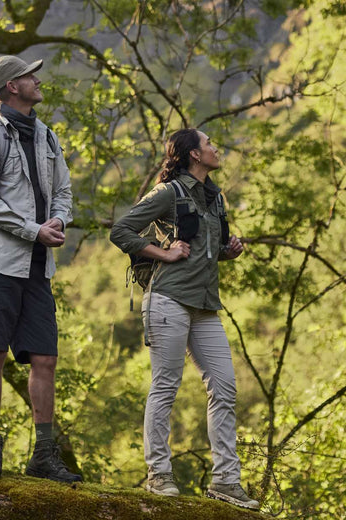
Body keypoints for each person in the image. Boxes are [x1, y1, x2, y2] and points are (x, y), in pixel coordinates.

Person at [110, 128, 259, 510]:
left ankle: (226, 482)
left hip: (205, 306)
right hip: (168, 300)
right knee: (166, 386)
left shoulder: (215, 197)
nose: (215, 148)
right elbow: (121, 231)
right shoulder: (168, 193)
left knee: (224, 387)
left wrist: (229, 251)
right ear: (194, 154)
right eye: (209, 144)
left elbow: (206, 249)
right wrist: (163, 253)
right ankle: (159, 475)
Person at [0, 55, 82, 483]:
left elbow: (64, 190)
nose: (37, 80)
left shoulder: (47, 135)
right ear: (12, 86)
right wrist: (34, 230)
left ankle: (44, 457)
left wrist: (59, 220)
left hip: (37, 266)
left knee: (45, 358)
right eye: (30, 75)